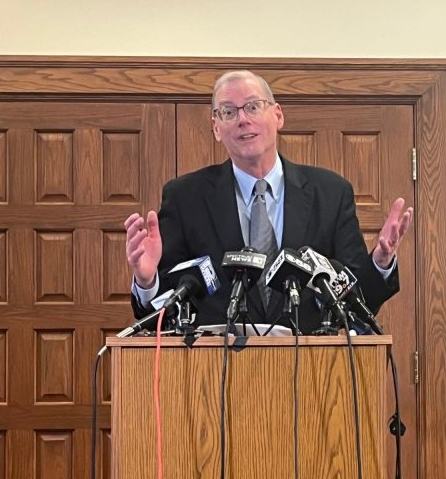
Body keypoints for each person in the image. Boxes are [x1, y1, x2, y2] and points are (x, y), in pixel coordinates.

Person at [124, 70, 412, 331]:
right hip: (215, 373)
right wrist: (147, 281)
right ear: (216, 127)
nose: (242, 119)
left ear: (278, 115)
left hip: (311, 371)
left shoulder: (330, 192)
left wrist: (380, 263)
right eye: (228, 112)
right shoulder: (185, 196)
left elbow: (358, 301)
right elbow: (163, 310)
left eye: (252, 106)